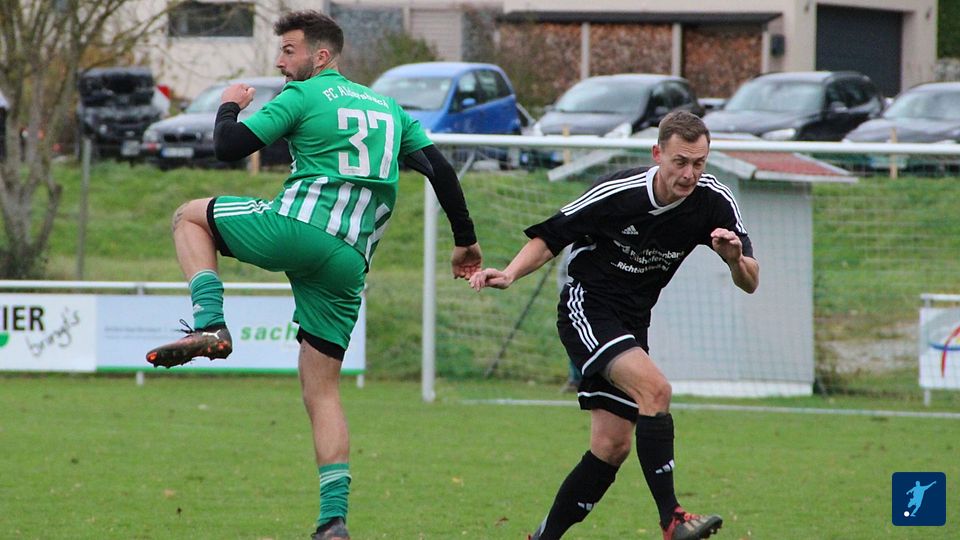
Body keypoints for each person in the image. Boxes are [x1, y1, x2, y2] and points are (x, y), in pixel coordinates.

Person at [144, 10, 482, 540]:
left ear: (320, 56)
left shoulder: (304, 95)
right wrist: (465, 241)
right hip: (349, 262)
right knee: (322, 392)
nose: (280, 62)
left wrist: (229, 104)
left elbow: (228, 147)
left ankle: (210, 324)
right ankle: (333, 522)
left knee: (188, 216)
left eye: (289, 50)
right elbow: (440, 171)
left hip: (300, 229)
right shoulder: (391, 109)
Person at [470, 111, 758, 540]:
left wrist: (734, 259)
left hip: (633, 322)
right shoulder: (619, 193)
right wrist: (510, 274)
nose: (689, 174)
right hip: (588, 306)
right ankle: (673, 520)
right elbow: (552, 236)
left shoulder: (713, 201)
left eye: (699, 163)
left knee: (611, 447)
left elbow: (751, 281)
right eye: (680, 162)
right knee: (656, 391)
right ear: (657, 153)